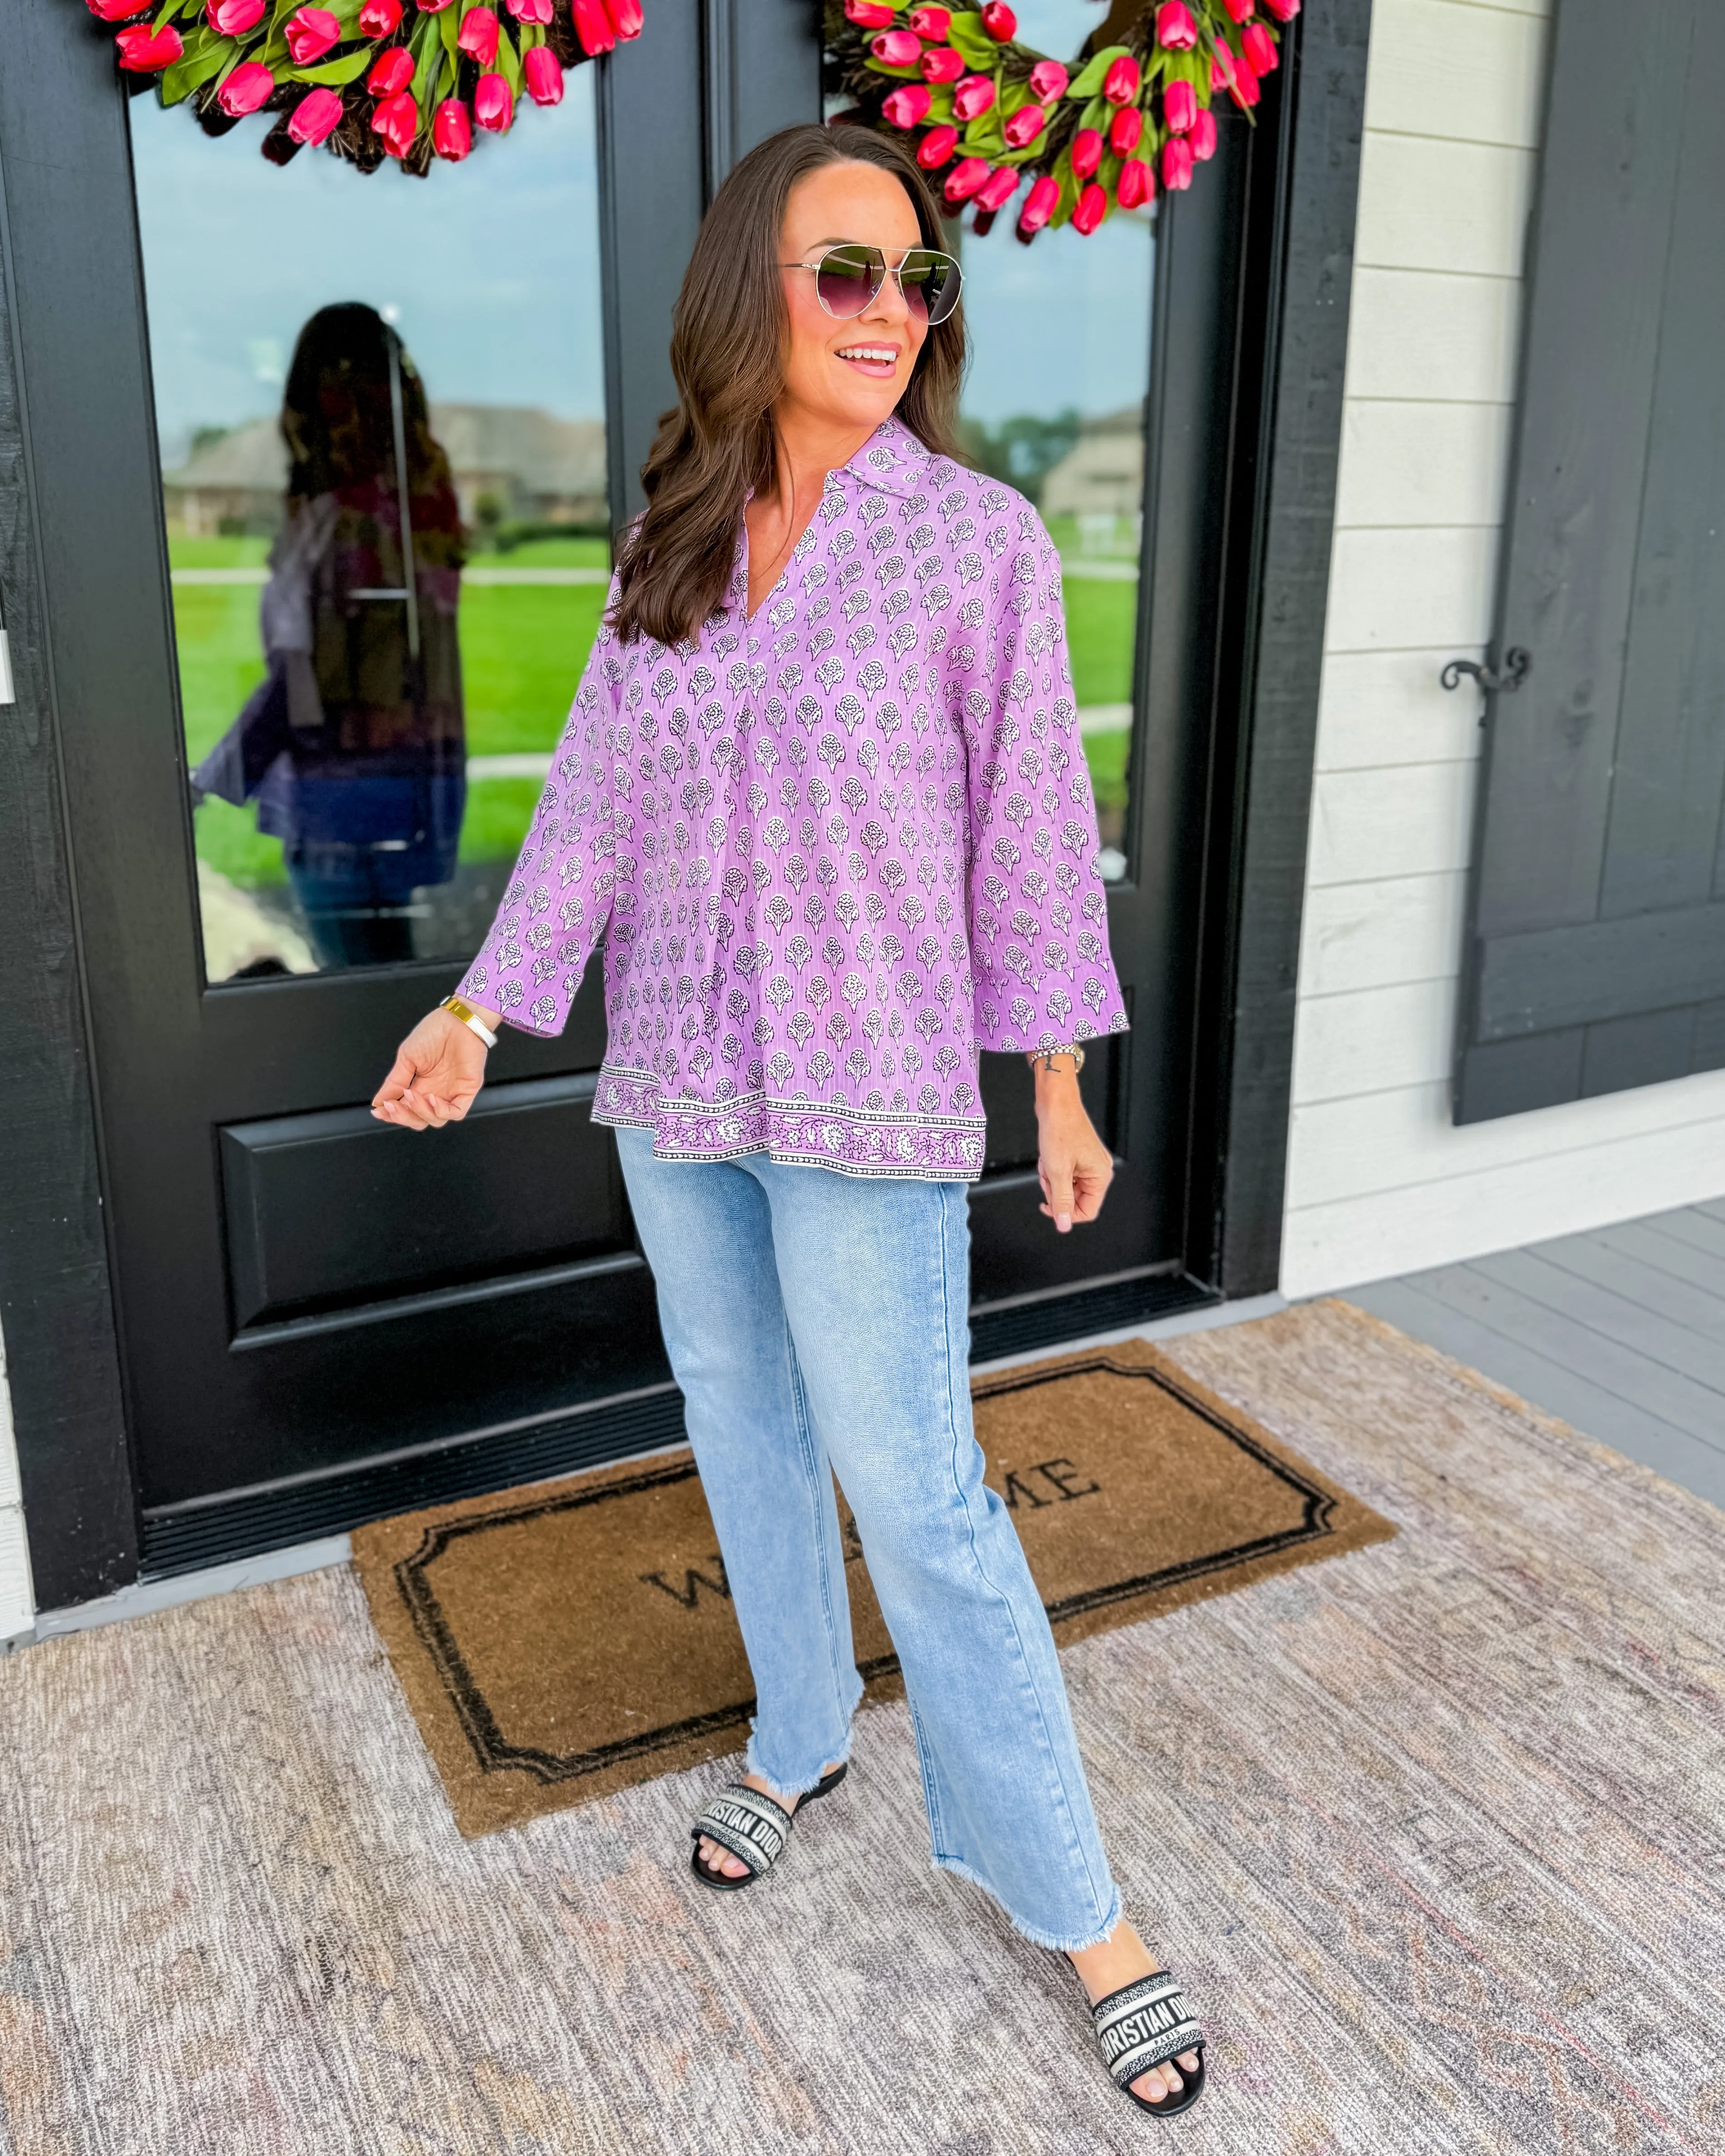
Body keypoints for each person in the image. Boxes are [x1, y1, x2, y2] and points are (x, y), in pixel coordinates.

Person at [370, 124, 1206, 2121]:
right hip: (677, 1077)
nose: (891, 312)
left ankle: (1072, 1897)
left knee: (918, 1489)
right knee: (735, 1417)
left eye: (919, 280)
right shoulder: (668, 537)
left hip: (866, 1089)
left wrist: (1060, 1076)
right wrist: (485, 1001)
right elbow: (589, 797)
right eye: (849, 272)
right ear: (754, 284)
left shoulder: (974, 539)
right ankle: (801, 1723)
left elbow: (1027, 828)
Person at [192, 302, 466, 970]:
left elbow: (304, 684)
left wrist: (204, 783)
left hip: (338, 808)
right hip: (408, 787)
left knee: (365, 1015)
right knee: (391, 997)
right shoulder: (416, 506)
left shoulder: (347, 522)